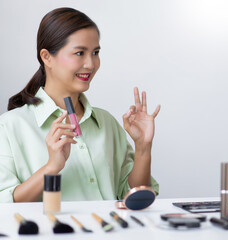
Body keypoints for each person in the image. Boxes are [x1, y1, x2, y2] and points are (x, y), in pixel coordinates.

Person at [0, 7, 160, 202]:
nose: (91, 64)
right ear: (46, 57)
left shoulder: (107, 123)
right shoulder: (9, 127)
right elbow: (4, 204)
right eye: (79, 53)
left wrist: (143, 148)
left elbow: (134, 198)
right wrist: (51, 167)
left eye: (95, 52)